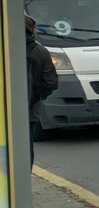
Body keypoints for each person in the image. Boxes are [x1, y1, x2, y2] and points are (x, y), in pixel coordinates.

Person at [25, 15, 58, 163]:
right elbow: (51, 82)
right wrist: (37, 96)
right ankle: (24, 180)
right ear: (31, 30)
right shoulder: (41, 51)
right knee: (27, 146)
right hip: (30, 109)